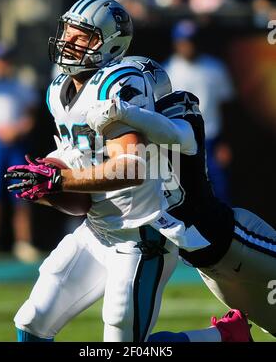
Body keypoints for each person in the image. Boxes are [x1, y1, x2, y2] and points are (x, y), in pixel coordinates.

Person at [4, 0, 179, 342]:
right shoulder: (59, 90)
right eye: (68, 31)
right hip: (97, 229)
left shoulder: (119, 83)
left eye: (81, 36)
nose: (68, 40)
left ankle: (220, 337)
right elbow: (76, 157)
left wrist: (62, 179)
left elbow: (131, 168)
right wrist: (46, 180)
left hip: (140, 234)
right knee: (32, 320)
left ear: (109, 44)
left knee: (122, 340)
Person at [85, 56, 276, 340]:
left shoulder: (175, 113)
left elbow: (174, 134)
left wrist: (121, 110)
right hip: (207, 264)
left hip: (235, 238)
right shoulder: (126, 136)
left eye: (128, 91)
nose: (120, 98)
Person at [0, 41, 40, 263]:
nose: (1, 64)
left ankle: (23, 242)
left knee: (21, 192)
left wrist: (15, 130)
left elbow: (30, 116)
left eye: (5, 60)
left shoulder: (21, 86)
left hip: (16, 144)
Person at [164, 20, 234, 204]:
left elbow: (227, 106)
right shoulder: (167, 71)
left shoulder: (215, 68)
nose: (188, 45)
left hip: (211, 139)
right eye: (184, 41)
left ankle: (224, 233)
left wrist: (224, 142)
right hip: (179, 142)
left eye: (192, 40)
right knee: (184, 197)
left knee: (220, 193)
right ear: (176, 42)